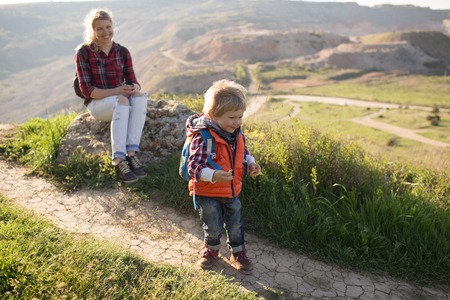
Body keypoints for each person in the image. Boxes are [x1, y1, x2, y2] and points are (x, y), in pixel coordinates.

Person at [185, 79, 261, 274]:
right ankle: (211, 250)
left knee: (235, 224)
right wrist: (213, 175)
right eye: (232, 117)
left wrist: (251, 163)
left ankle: (238, 253)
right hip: (207, 192)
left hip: (231, 190)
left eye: (240, 117)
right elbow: (193, 166)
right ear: (214, 115)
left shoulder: (236, 133)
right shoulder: (203, 137)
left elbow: (243, 153)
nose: (236, 122)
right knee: (213, 224)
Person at [74, 9, 148, 184]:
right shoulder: (83, 52)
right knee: (121, 100)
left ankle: (131, 153)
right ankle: (119, 159)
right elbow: (88, 91)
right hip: (98, 105)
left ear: (113, 26)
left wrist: (132, 88)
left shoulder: (122, 51)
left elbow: (133, 81)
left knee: (140, 96)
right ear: (92, 31)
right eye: (99, 29)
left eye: (108, 27)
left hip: (119, 99)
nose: (105, 32)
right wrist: (118, 91)